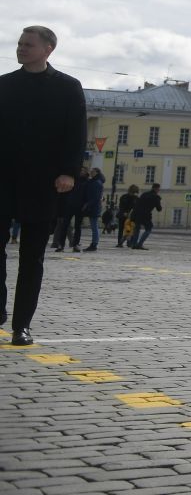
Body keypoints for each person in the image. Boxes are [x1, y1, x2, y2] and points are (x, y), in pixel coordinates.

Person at [0, 25, 88, 345]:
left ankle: (22, 325)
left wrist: (68, 172)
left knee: (31, 258)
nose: (21, 48)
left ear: (48, 49)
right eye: (20, 43)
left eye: (28, 44)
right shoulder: (4, 85)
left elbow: (76, 135)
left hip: (44, 184)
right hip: (3, 179)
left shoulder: (68, 87)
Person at [128, 184, 161, 249]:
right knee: (148, 229)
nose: (159, 190)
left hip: (137, 213)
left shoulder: (144, 194)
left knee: (137, 229)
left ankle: (134, 244)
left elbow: (138, 203)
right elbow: (159, 209)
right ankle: (140, 244)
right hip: (146, 215)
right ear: (156, 189)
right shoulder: (156, 197)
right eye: (158, 189)